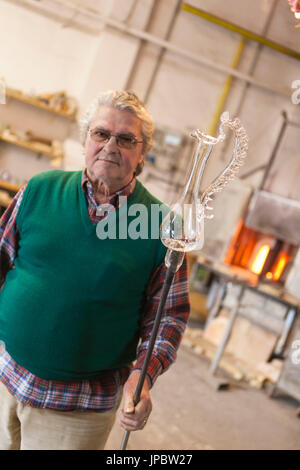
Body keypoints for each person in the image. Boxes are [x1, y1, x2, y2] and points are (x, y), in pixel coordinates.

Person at [0, 90, 190, 450]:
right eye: (101, 133)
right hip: (4, 373)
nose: (110, 146)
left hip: (77, 408)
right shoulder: (39, 189)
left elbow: (169, 317)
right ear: (86, 138)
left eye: (126, 139)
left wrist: (143, 376)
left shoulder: (162, 227)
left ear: (142, 152)